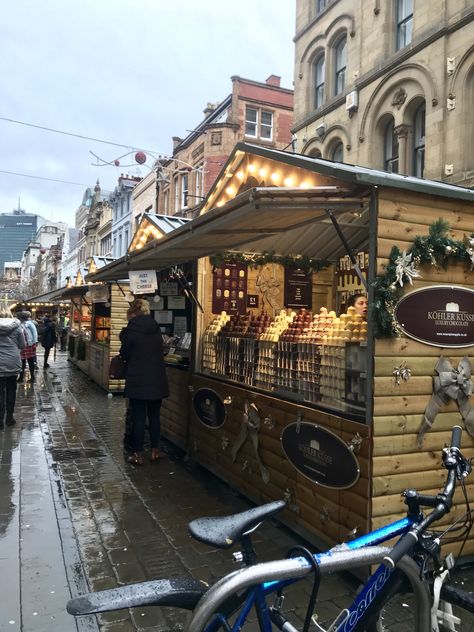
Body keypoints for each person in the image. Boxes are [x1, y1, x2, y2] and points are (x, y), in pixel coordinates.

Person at [120, 298, 169, 465]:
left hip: (138, 380)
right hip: (156, 378)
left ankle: (138, 454)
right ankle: (155, 451)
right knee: (155, 417)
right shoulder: (156, 328)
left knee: (139, 418)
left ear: (133, 313)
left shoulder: (131, 329)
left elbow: (125, 354)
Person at [0, 307, 25, 429]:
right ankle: (9, 418)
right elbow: (22, 345)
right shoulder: (17, 327)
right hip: (12, 362)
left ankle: (0, 422)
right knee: (11, 390)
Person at [17, 311, 38, 383]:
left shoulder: (29, 323)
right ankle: (21, 377)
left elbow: (34, 333)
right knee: (22, 362)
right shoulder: (18, 324)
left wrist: (35, 342)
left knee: (30, 361)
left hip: (29, 345)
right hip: (22, 345)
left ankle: (32, 377)